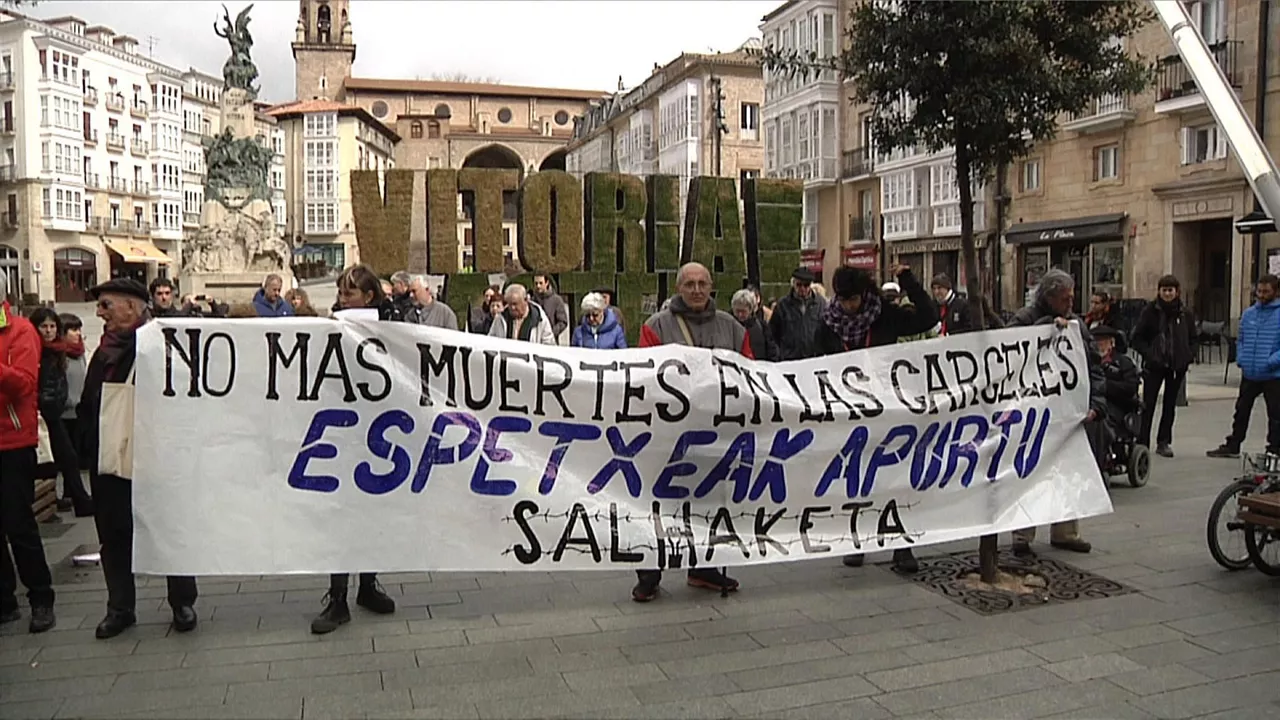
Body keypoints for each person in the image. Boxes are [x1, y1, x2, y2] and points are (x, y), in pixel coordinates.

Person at [80, 278, 198, 639]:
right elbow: (89, 406)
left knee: (166, 527)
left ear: (132, 307)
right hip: (112, 459)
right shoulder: (103, 353)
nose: (100, 314)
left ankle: (182, 601)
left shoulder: (160, 347)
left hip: (156, 458)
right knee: (114, 535)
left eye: (107, 306)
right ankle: (120, 607)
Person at [632, 262, 751, 603]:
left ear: (711, 286)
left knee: (708, 502)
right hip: (668, 435)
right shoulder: (656, 326)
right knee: (659, 503)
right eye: (690, 284)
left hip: (715, 433)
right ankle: (650, 571)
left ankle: (703, 567)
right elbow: (645, 376)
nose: (697, 290)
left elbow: (749, 374)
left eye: (702, 284)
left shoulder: (732, 327)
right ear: (678, 287)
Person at [818, 265, 939, 573]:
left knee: (896, 477)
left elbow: (928, 317)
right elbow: (813, 364)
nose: (848, 306)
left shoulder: (884, 314)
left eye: (854, 299)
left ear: (865, 294)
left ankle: (901, 545)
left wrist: (909, 281)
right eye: (843, 300)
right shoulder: (828, 324)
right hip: (849, 413)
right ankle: (859, 539)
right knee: (857, 480)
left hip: (887, 409)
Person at [311, 265, 399, 635]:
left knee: (371, 512)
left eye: (349, 293)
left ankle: (367, 585)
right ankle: (337, 598)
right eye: (340, 292)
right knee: (341, 515)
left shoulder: (394, 330)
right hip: (342, 432)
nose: (342, 299)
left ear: (368, 297)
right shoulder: (331, 329)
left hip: (377, 432)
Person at [1007, 268, 1105, 556]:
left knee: (1068, 471)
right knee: (1029, 472)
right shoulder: (1026, 318)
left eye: (1072, 298)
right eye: (1065, 299)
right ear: (1049, 297)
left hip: (1069, 414)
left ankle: (1066, 531)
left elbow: (1093, 366)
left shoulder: (1077, 325)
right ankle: (1022, 535)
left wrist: (1096, 404)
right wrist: (1047, 326)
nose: (1071, 304)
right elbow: (1010, 346)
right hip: (1035, 413)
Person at [0, 271, 57, 634]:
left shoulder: (20, 331)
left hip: (12, 441)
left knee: (18, 523)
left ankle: (41, 597)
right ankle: (5, 601)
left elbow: (23, 383)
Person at [1208, 274, 1280, 458]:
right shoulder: (1249, 314)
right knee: (1241, 410)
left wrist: (1271, 361)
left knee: (1276, 415)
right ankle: (1233, 445)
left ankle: (1274, 449)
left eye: (1266, 292)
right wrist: (1242, 358)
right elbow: (1241, 339)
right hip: (1250, 372)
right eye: (1259, 291)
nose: (1262, 295)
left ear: (1275, 292)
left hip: (1273, 374)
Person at [28, 308, 92, 517]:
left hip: (54, 413)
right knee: (55, 459)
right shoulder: (34, 350)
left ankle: (73, 501)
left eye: (52, 326)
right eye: (44, 326)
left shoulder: (58, 350)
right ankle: (69, 502)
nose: (48, 331)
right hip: (43, 414)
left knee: (66, 458)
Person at [1130, 275, 1196, 457]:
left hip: (1176, 366)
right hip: (1155, 366)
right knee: (1148, 404)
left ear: (1177, 292)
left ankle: (1164, 441)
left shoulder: (1184, 313)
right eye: (1164, 290)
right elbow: (1137, 338)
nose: (1167, 293)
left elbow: (1193, 337)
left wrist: (1188, 355)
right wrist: (1150, 355)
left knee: (1170, 405)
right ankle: (1142, 441)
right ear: (1159, 291)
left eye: (1171, 290)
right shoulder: (1150, 311)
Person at [1093, 325, 1141, 463]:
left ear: (1112, 343)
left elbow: (1130, 388)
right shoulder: (1090, 363)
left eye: (1102, 341)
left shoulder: (1123, 363)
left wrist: (1106, 386)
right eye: (1096, 342)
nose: (1099, 345)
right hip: (1094, 403)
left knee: (1101, 421)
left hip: (1116, 406)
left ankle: (1103, 456)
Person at [58, 312, 90, 483]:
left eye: (79, 329)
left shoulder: (80, 353)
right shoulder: (58, 356)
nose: (78, 333)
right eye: (73, 330)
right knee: (67, 461)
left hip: (79, 414)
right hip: (63, 415)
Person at [769, 268, 826, 360]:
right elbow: (772, 333)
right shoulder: (782, 305)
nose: (802, 289)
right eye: (799, 285)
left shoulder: (821, 304)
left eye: (806, 285)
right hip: (790, 360)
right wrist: (778, 355)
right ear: (793, 284)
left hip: (815, 360)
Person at [489, 284, 556, 344]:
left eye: (515, 304)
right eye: (509, 304)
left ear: (526, 300)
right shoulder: (500, 318)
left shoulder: (540, 319)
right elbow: (491, 341)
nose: (512, 308)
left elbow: (549, 346)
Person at [731, 288, 776, 361]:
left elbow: (772, 350)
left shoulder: (762, 326)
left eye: (743, 311)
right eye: (737, 311)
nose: (740, 314)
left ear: (750, 310)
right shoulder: (729, 326)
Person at [1086, 290, 1127, 354]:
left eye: (1097, 303)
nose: (1093, 306)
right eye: (1092, 302)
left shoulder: (1114, 320)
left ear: (1104, 305)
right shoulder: (1088, 319)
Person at [532, 274, 569, 343]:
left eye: (540, 283)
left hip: (551, 341)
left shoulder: (556, 300)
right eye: (536, 283)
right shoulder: (532, 301)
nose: (538, 286)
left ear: (546, 283)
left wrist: (551, 332)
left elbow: (563, 322)